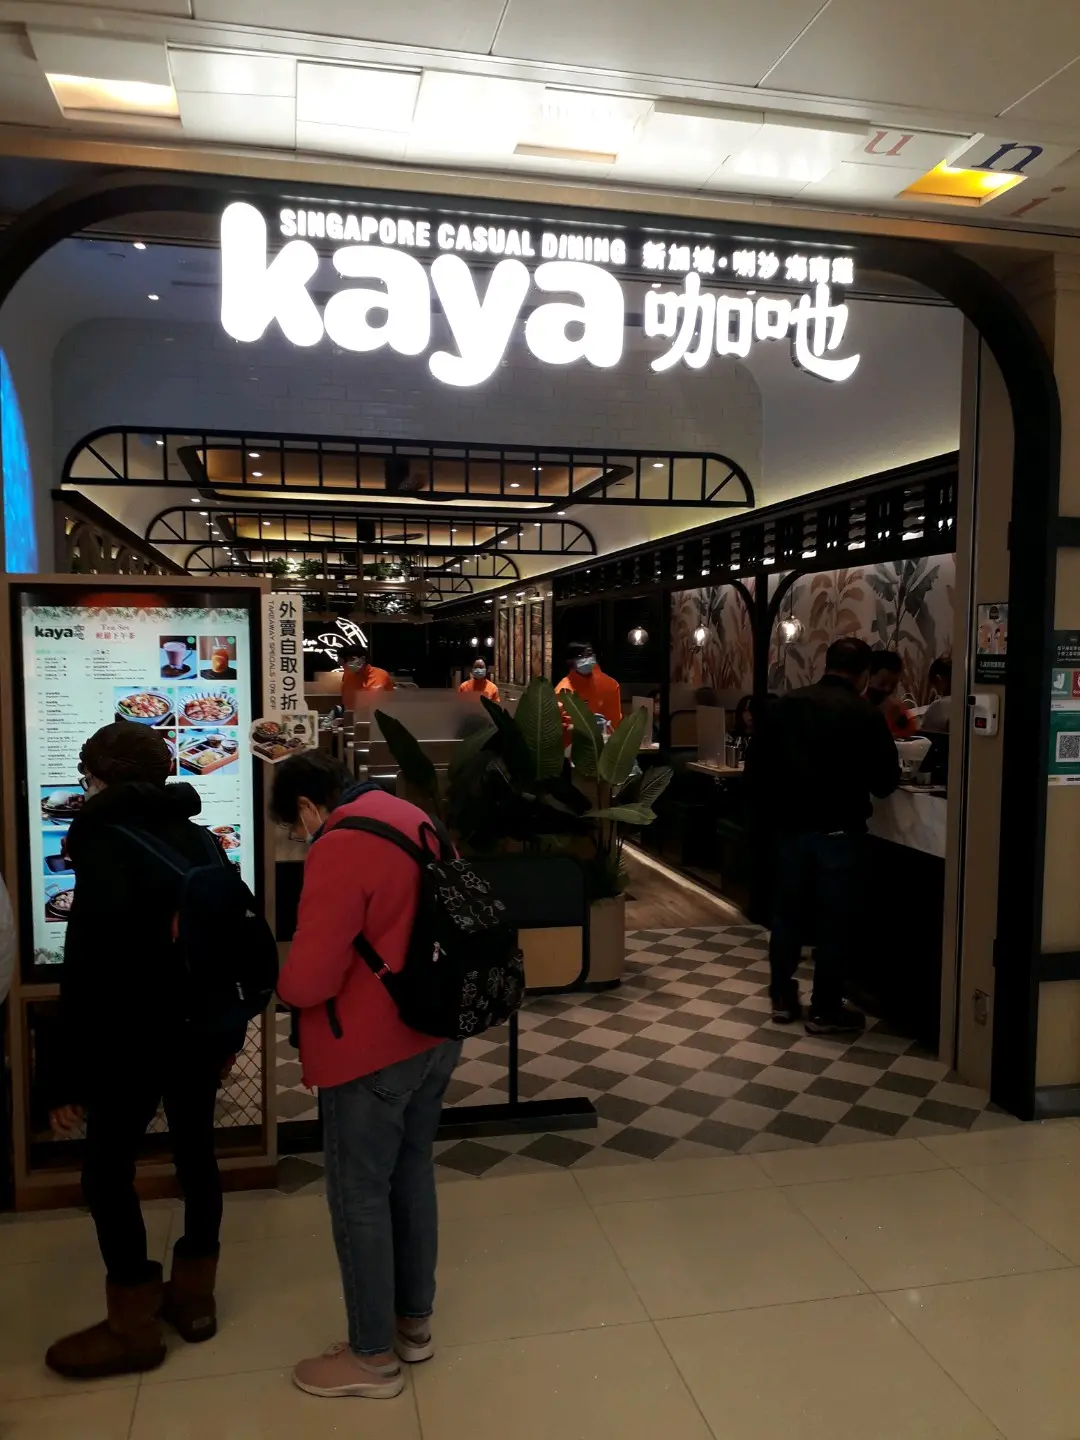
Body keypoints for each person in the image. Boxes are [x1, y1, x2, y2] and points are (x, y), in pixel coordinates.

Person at [45, 722, 245, 1380]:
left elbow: (88, 969)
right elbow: (229, 941)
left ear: (103, 779)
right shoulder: (198, 837)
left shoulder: (103, 843)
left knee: (106, 1172)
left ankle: (133, 1325)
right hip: (199, 1029)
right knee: (197, 1156)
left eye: (87, 777)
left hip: (129, 1038)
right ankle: (195, 1300)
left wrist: (64, 1075)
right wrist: (227, 1031)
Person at [272, 753, 462, 1401]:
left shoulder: (340, 842)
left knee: (358, 1194)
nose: (300, 839)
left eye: (294, 828)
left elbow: (312, 975)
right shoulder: (410, 815)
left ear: (307, 807)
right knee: (411, 1173)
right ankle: (413, 1325)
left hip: (369, 1050)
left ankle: (372, 1357)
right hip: (434, 1032)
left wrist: (280, 985)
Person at [749, 637, 900, 1034]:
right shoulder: (865, 714)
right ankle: (824, 1010)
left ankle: (782, 998)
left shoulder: (786, 706)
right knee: (835, 923)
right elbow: (885, 782)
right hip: (839, 832)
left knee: (787, 917)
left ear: (826, 663)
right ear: (864, 674)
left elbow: (757, 766)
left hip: (790, 829)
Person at [555, 641, 622, 731]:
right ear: (571, 661)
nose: (586, 659)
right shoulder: (563, 690)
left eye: (589, 654)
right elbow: (556, 727)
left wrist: (606, 728)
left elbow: (616, 722)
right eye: (580, 656)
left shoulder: (610, 685)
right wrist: (582, 727)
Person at [340, 642, 394, 711]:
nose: (349, 663)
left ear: (362, 659)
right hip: (353, 715)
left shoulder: (382, 675)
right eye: (347, 660)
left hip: (377, 715)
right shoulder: (347, 675)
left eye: (352, 659)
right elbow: (346, 702)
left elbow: (391, 701)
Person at [921, 656, 953, 733]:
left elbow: (924, 735)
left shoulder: (938, 706)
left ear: (939, 680)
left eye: (935, 686)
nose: (936, 691)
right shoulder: (965, 703)